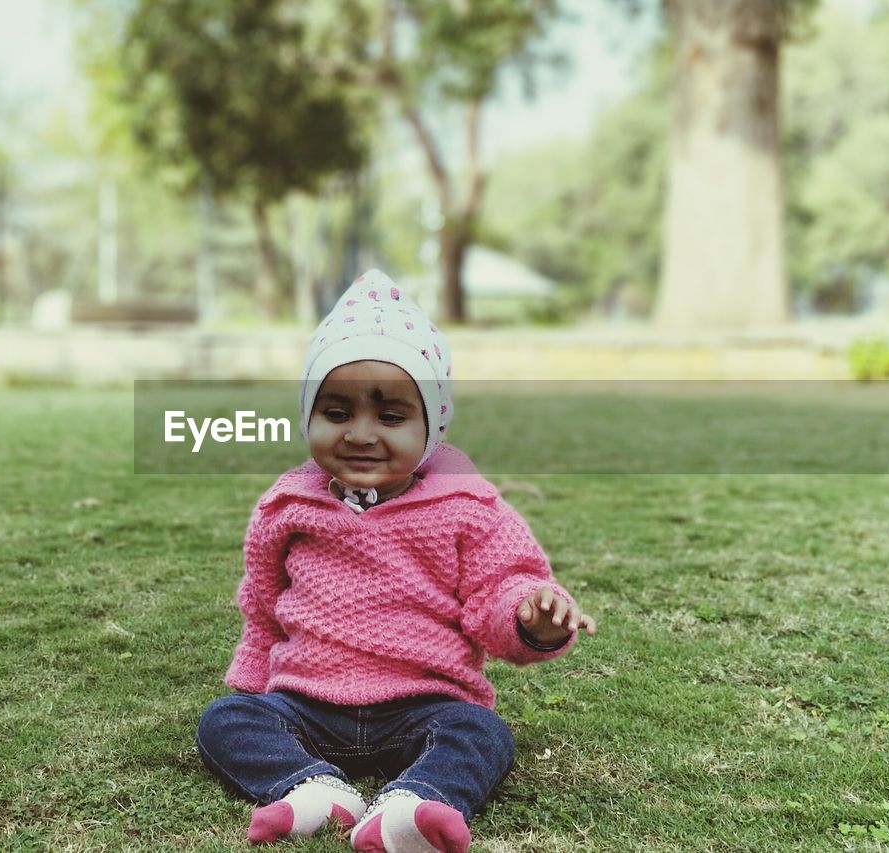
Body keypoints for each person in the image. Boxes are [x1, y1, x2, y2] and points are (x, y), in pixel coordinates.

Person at [196, 269, 597, 853]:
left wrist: (529, 618)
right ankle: (313, 789)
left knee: (482, 734)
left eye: (390, 418)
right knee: (224, 722)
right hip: (307, 702)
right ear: (309, 415)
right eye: (335, 413)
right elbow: (262, 604)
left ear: (432, 425)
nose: (360, 434)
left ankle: (411, 806)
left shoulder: (466, 506)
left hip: (424, 704)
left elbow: (502, 589)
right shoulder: (287, 505)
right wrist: (254, 685)